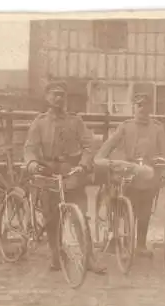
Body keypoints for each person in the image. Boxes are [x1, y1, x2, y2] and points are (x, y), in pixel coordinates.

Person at [24, 80, 106, 274]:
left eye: (62, 95)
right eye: (54, 94)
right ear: (47, 97)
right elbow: (30, 148)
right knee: (52, 218)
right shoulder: (40, 122)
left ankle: (89, 258)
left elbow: (88, 145)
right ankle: (56, 255)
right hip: (47, 174)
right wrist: (33, 163)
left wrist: (83, 165)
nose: (58, 98)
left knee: (81, 217)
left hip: (71, 174)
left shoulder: (75, 121)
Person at [94, 93, 165, 257]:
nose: (142, 109)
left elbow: (164, 153)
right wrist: (101, 158)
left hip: (149, 174)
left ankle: (141, 244)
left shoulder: (157, 128)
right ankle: (119, 238)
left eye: (145, 105)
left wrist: (163, 172)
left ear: (150, 108)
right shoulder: (125, 127)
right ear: (133, 108)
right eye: (138, 105)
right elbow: (109, 145)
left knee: (145, 210)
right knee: (124, 205)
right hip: (128, 174)